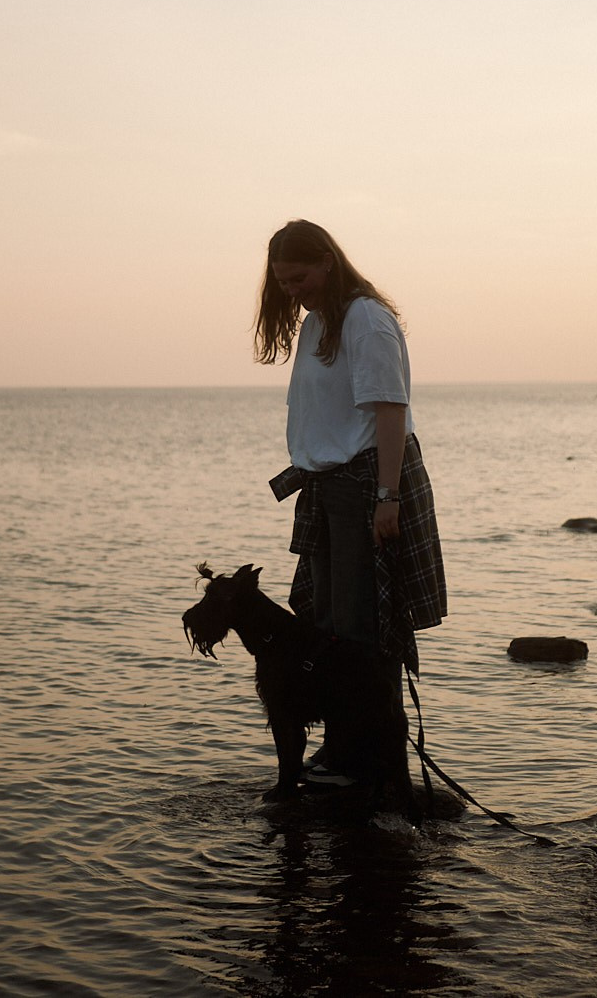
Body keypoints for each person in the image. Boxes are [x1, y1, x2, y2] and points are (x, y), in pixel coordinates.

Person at [254, 219, 446, 788]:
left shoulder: (367, 319)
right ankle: (342, 747)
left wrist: (388, 496)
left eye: (300, 278)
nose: (293, 291)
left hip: (366, 484)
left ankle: (372, 759)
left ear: (328, 261)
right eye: (283, 283)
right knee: (327, 628)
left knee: (365, 631)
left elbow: (391, 411)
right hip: (327, 488)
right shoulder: (318, 322)